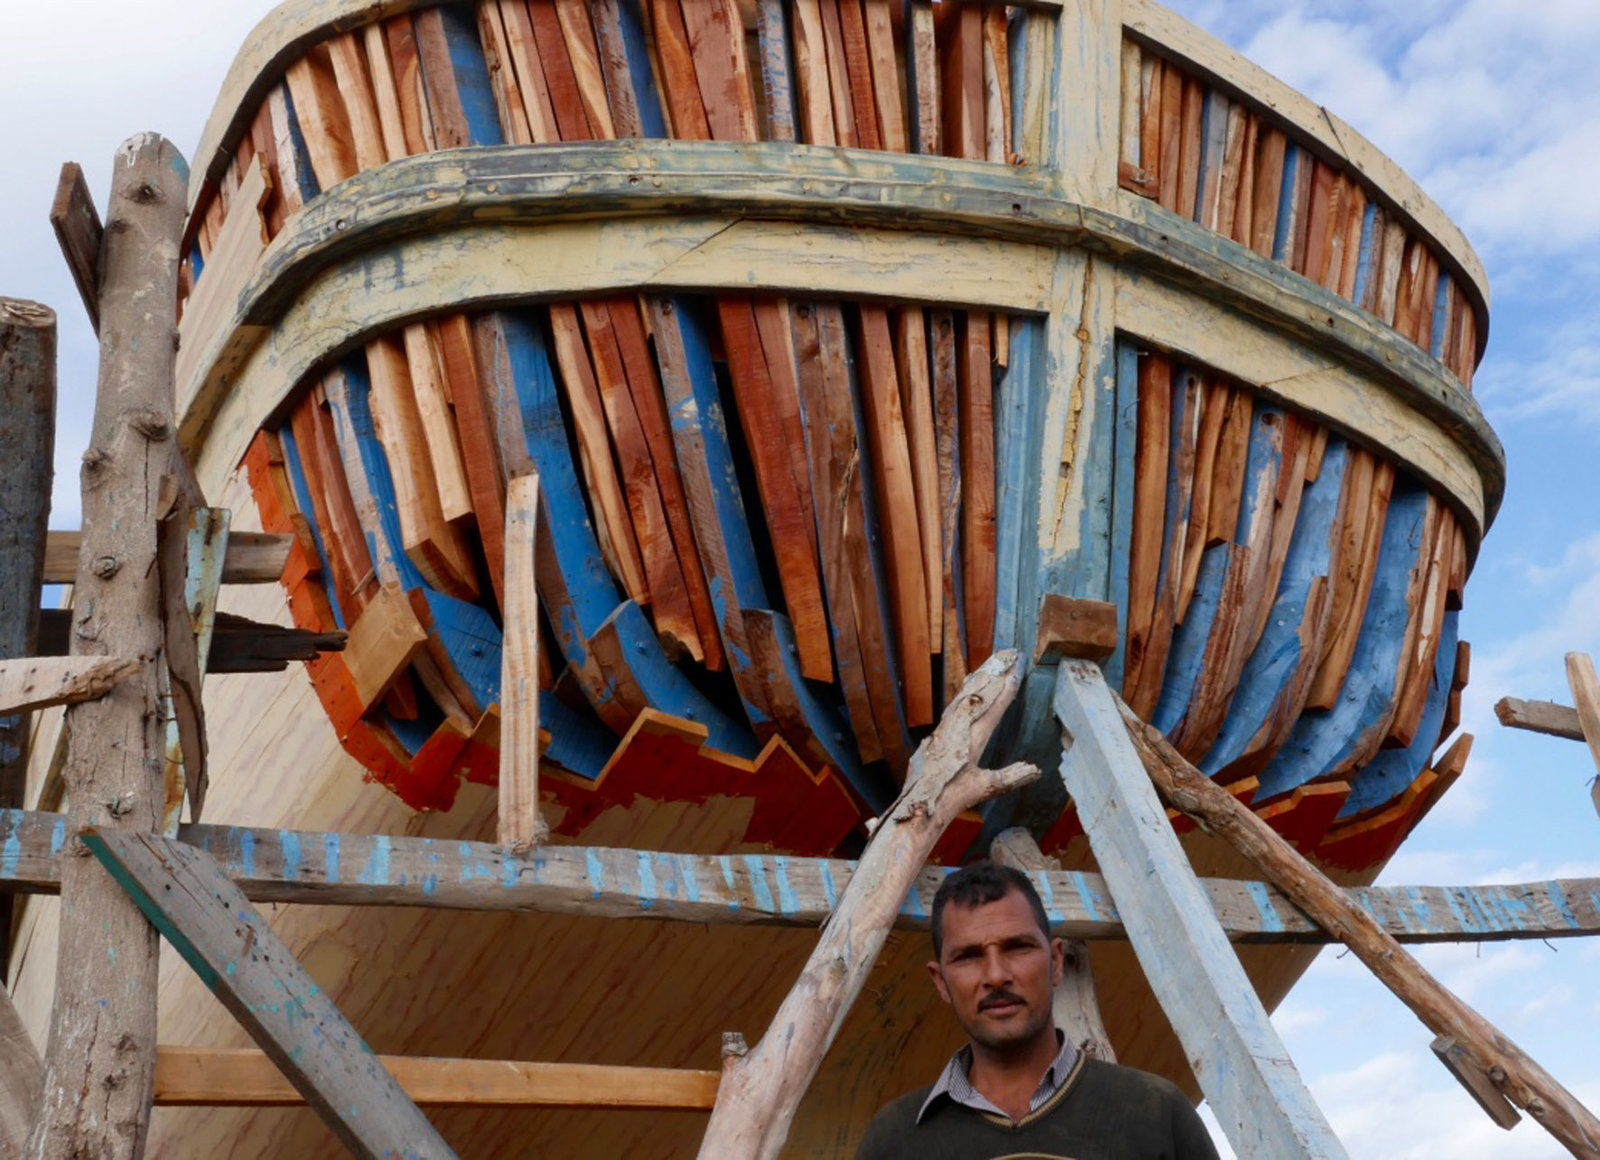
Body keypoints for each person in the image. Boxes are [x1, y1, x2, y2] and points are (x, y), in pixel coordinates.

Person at [854, 860, 1220, 1160]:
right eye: (968, 956)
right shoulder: (894, 1138)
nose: (996, 975)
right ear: (940, 982)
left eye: (1017, 947)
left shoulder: (1155, 1112)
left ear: (1056, 961)